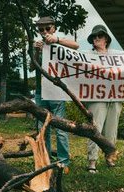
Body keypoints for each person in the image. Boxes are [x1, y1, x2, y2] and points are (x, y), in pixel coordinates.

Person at [32, 16, 79, 171]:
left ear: (54, 28)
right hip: (40, 93)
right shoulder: (38, 45)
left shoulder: (61, 42)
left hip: (57, 92)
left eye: (47, 28)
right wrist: (36, 51)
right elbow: (33, 67)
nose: (44, 32)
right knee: (42, 128)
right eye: (41, 30)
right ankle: (46, 160)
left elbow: (76, 46)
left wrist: (57, 40)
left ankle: (63, 162)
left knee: (61, 129)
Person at [85, 24, 123, 173]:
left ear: (106, 39)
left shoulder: (116, 55)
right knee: (95, 129)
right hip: (97, 97)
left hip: (115, 97)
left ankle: (110, 157)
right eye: (94, 37)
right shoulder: (87, 55)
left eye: (99, 36)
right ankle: (92, 161)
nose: (96, 39)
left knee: (111, 130)